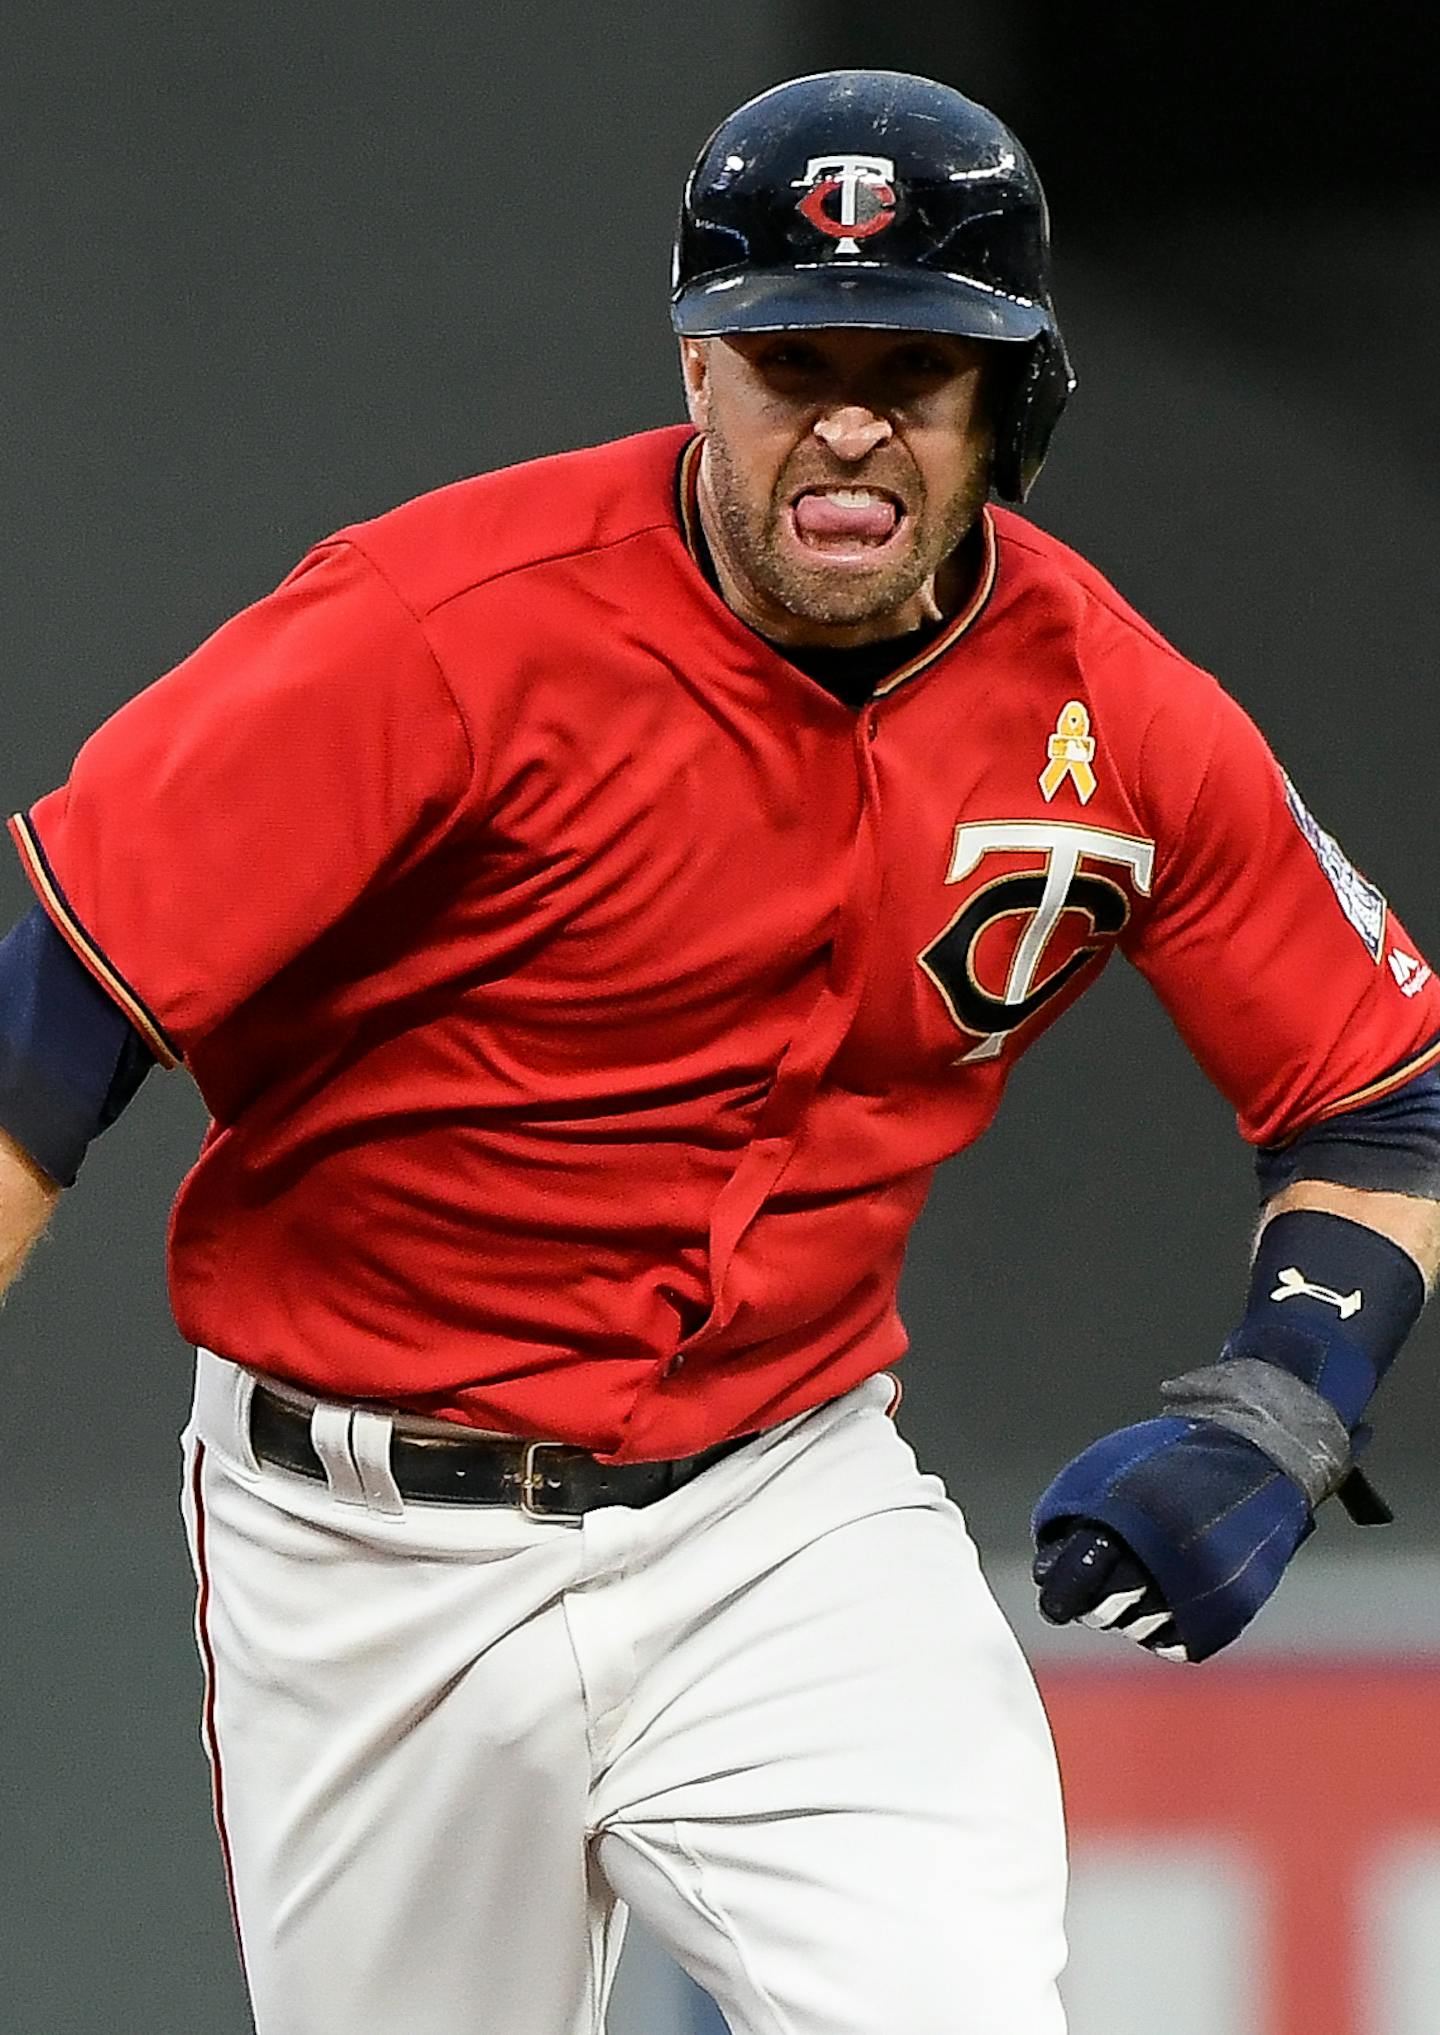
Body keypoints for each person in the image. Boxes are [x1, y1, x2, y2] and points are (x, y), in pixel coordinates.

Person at [2, 67, 1437, 2035]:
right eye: (791, 353)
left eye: (917, 363)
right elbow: (48, 1023)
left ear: (1013, 402)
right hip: (361, 1542)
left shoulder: (1118, 716)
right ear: (699, 372)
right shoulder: (437, 626)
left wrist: (1288, 1395)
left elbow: (1380, 1084)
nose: (848, 415)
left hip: (781, 1511)